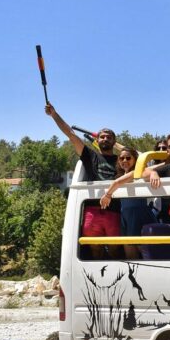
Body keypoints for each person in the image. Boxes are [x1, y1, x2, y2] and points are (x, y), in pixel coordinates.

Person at [45, 102, 120, 259]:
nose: (105, 139)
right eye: (102, 137)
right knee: (94, 248)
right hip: (92, 210)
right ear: (97, 141)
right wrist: (54, 115)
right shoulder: (90, 156)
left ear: (114, 142)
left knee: (115, 249)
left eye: (109, 137)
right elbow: (71, 135)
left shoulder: (123, 159)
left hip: (115, 210)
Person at [99, 147, 156, 260]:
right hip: (125, 215)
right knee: (129, 252)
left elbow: (117, 182)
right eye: (121, 158)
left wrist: (107, 195)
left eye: (128, 158)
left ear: (135, 160)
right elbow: (118, 180)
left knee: (145, 251)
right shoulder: (120, 174)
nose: (124, 160)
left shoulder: (138, 171)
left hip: (138, 214)